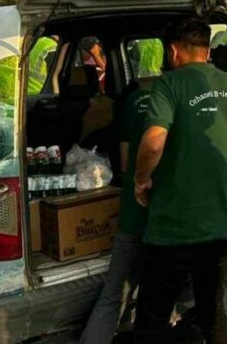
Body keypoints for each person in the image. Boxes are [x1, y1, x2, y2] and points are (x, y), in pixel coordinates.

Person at [133, 18, 227, 344]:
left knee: (153, 318)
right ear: (207, 50)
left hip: (173, 225)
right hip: (220, 224)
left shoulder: (169, 84)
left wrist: (141, 179)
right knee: (212, 314)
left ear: (173, 51)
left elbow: (154, 142)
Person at [79, 39, 162, 344]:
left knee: (113, 292)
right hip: (170, 215)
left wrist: (139, 181)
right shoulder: (179, 97)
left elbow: (126, 163)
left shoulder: (133, 102)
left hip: (134, 212)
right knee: (164, 290)